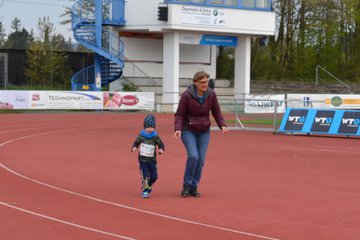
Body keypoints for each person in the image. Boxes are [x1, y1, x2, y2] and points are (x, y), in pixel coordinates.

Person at [174, 70, 228, 197]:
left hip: (204, 131)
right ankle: (186, 185)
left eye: (206, 82)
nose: (205, 84)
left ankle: (194, 186)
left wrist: (223, 125)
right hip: (188, 130)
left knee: (201, 160)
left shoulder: (211, 94)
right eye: (202, 82)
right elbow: (180, 114)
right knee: (193, 156)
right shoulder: (186, 95)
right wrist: (178, 128)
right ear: (195, 83)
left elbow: (217, 112)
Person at [131, 114, 165, 198]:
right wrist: (134, 147)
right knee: (145, 176)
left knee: (154, 176)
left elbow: (161, 145)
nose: (150, 129)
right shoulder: (141, 136)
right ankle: (145, 191)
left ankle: (148, 185)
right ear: (144, 127)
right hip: (143, 160)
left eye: (152, 127)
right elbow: (136, 143)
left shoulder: (155, 136)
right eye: (148, 127)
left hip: (152, 160)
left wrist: (161, 149)